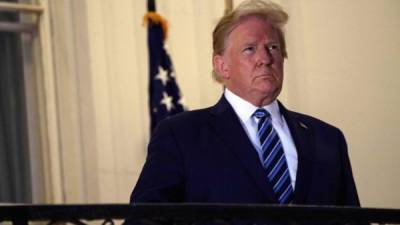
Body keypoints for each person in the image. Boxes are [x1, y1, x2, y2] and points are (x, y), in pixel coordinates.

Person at [130, 0, 360, 208]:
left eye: (273, 47)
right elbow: (146, 218)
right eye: (250, 49)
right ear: (222, 66)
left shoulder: (327, 139)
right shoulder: (180, 135)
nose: (265, 59)